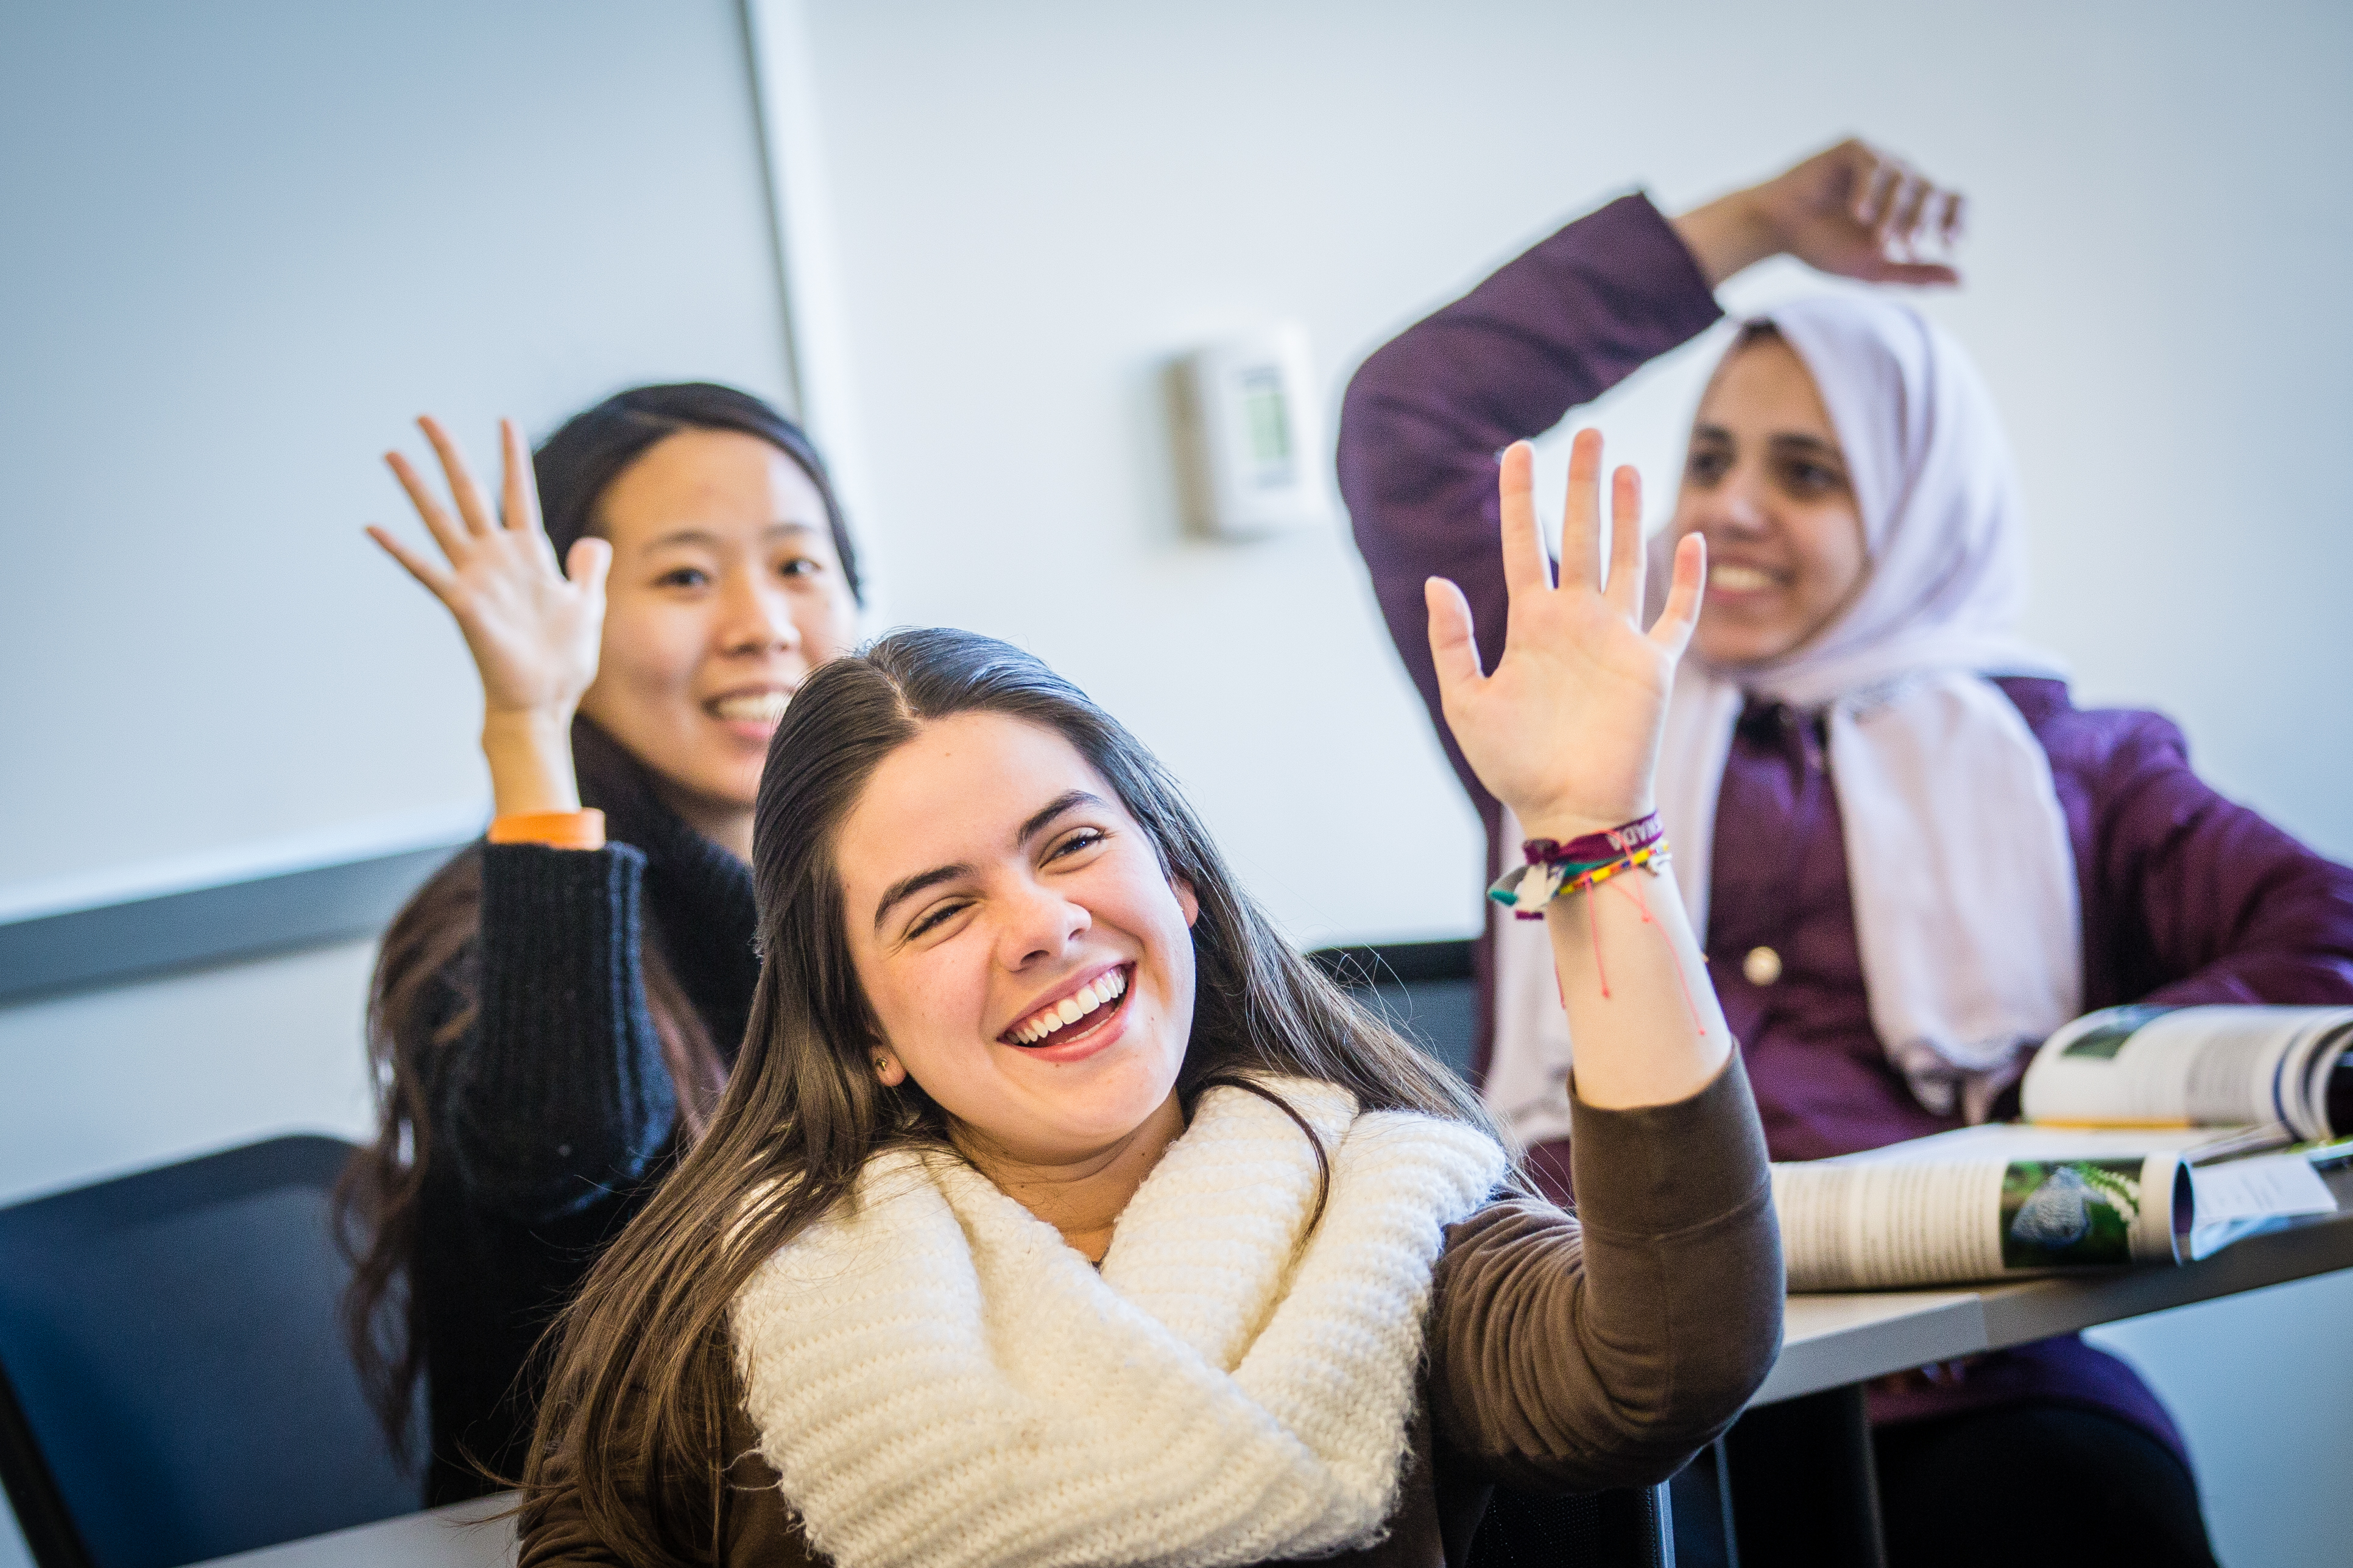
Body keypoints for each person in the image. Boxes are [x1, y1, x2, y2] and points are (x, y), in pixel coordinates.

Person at [1339, 138, 2353, 1567]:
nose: (1735, 504)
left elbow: (2330, 935)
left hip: (1961, 1370)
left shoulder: (2072, 766)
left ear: (1920, 513)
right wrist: (1748, 226)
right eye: (1711, 455)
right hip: (1609, 1345)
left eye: (1807, 471)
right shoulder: (1577, 709)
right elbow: (1408, 418)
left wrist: (2073, 1079)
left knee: (2080, 1504)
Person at [513, 440, 1782, 1566]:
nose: (1043, 925)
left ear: (1176, 879)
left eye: (1069, 846)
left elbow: (1672, 1357)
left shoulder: (1397, 1218)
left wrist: (1591, 830)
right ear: (863, 1031)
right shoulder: (735, 1315)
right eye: (940, 910)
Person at [334, 382, 866, 1503]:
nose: (762, 624)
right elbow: (568, 1148)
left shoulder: (871, 895)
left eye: (799, 567)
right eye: (683, 575)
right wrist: (526, 727)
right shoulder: (485, 932)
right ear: (568, 621)